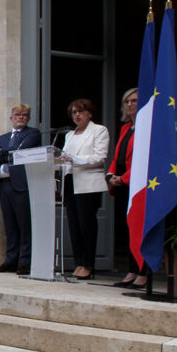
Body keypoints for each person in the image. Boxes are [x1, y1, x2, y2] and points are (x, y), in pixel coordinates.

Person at [0, 103, 42, 275]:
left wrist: (3, 153)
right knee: (9, 224)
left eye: (25, 115)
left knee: (24, 224)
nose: (21, 118)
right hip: (4, 185)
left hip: (21, 184)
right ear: (11, 117)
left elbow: (22, 152)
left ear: (28, 118)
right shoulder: (3, 138)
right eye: (18, 115)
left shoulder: (32, 134)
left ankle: (25, 262)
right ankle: (11, 260)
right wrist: (8, 153)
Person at [60, 97, 111, 280]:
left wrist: (74, 159)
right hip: (70, 181)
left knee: (86, 225)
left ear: (89, 113)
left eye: (81, 111)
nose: (77, 115)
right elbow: (64, 157)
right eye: (74, 112)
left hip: (88, 183)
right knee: (74, 225)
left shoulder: (99, 130)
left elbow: (100, 157)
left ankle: (88, 264)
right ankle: (79, 263)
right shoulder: (69, 135)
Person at [105, 88, 149, 288]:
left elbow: (144, 160)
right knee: (127, 230)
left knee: (139, 229)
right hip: (122, 185)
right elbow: (118, 157)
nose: (130, 104)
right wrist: (110, 174)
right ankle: (132, 270)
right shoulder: (125, 128)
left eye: (134, 100)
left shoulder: (147, 128)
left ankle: (143, 272)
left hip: (137, 185)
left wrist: (123, 179)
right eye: (127, 101)